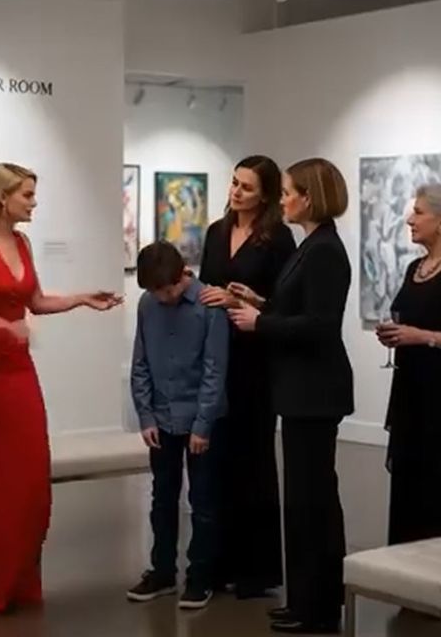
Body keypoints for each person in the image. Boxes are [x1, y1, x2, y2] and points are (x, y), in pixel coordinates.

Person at [0, 163, 122, 612]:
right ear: (3, 198)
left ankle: (12, 577)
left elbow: (35, 302)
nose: (34, 203)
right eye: (28, 195)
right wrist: (7, 327)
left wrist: (81, 299)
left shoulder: (22, 243)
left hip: (16, 367)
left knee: (29, 471)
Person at [229, 158, 353, 634]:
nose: (281, 201)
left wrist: (260, 322)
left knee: (312, 501)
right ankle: (304, 598)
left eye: (287, 193)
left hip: (315, 391)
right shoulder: (311, 246)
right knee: (301, 501)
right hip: (302, 390)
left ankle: (318, 605)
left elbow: (320, 326)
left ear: (309, 197)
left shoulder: (324, 251)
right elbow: (299, 309)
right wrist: (260, 302)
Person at [199, 155, 295, 598]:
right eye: (234, 183)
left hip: (255, 359)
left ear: (266, 196)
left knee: (253, 459)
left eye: (247, 188)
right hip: (218, 355)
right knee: (217, 460)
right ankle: (218, 563)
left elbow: (286, 303)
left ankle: (255, 570)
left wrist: (248, 300)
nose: (236, 192)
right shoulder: (217, 232)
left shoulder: (277, 239)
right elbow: (205, 286)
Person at [127, 241, 228, 610]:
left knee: (203, 501)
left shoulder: (209, 305)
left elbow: (215, 370)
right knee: (162, 498)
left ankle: (200, 576)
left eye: (166, 291)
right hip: (162, 419)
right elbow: (140, 363)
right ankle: (162, 572)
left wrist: (202, 424)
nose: (162, 298)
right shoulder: (147, 304)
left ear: (182, 275)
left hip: (201, 419)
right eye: (155, 292)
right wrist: (146, 415)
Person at [377, 183, 441, 546]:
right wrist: (395, 335)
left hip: (437, 398)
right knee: (408, 490)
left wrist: (423, 336)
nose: (409, 220)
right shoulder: (415, 268)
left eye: (418, 213)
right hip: (410, 393)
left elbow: (422, 332)